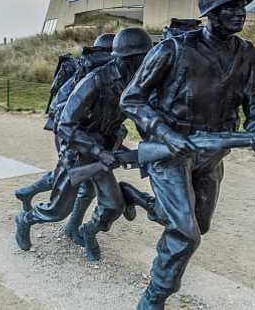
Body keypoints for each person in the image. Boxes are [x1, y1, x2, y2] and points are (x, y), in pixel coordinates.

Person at [120, 0, 255, 309]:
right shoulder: (173, 49)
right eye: (230, 7)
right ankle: (153, 297)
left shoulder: (248, 55)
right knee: (185, 233)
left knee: (198, 224)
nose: (240, 13)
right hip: (172, 150)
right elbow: (131, 99)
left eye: (242, 6)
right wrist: (166, 133)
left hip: (213, 151)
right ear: (211, 12)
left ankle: (137, 198)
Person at [15, 27, 153, 261]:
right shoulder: (96, 81)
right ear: (122, 58)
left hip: (104, 154)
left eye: (145, 59)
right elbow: (65, 125)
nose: (144, 65)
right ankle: (25, 219)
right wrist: (97, 150)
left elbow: (142, 118)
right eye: (138, 59)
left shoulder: (136, 84)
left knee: (112, 205)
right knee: (57, 210)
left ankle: (88, 232)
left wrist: (151, 145)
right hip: (79, 152)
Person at [14, 33, 115, 242]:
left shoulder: (113, 76)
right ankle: (32, 216)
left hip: (91, 138)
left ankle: (70, 225)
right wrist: (73, 142)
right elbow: (61, 111)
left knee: (83, 183)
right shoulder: (89, 73)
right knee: (69, 180)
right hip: (72, 135)